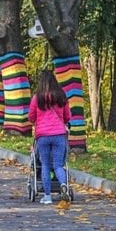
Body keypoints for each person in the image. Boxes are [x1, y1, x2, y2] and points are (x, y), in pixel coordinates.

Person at [29, 68, 73, 205]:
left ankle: (47, 196)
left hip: (42, 136)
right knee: (59, 165)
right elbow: (67, 117)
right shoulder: (61, 96)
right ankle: (63, 185)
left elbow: (31, 117)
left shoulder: (37, 98)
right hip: (59, 134)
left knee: (45, 165)